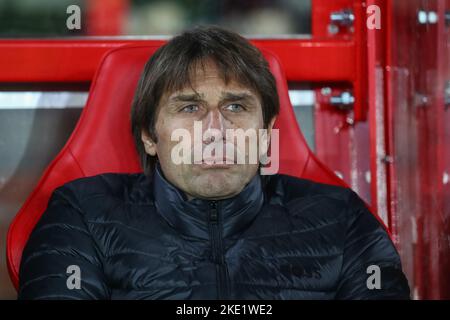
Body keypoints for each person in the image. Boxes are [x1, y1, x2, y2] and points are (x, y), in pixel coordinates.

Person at [18, 26, 410, 300]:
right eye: (189, 107)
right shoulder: (83, 212)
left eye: (235, 106)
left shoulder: (341, 218)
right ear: (149, 136)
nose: (214, 130)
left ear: (266, 132)